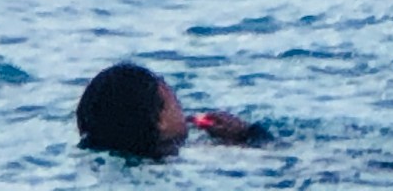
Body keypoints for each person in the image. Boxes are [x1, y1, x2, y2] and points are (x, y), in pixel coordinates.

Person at [75, 62, 260, 158]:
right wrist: (247, 135)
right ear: (160, 122)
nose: (185, 114)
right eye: (176, 104)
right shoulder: (201, 153)